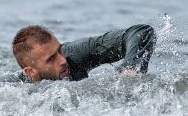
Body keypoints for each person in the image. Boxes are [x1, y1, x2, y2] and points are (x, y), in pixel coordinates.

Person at [12, 24, 156, 82]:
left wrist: (130, 69)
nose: (62, 60)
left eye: (59, 50)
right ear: (30, 72)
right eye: (51, 59)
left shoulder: (75, 54)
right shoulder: (14, 89)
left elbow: (141, 32)